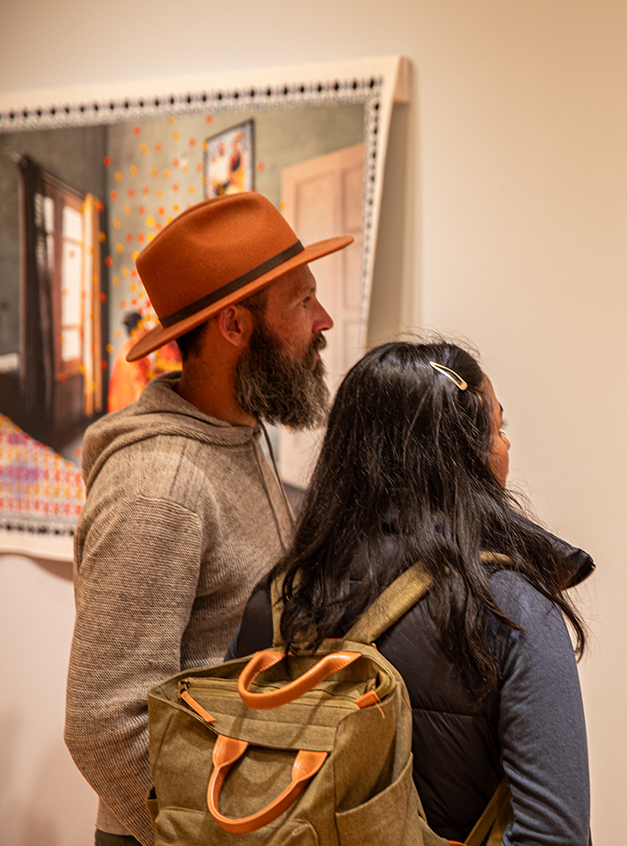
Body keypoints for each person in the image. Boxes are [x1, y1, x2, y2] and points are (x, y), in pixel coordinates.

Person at [65, 191, 350, 846]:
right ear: (233, 326)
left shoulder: (238, 433)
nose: (325, 319)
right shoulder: (160, 484)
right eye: (303, 301)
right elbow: (103, 720)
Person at [230, 341, 595, 845]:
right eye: (497, 429)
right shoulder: (509, 607)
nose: (505, 447)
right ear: (465, 455)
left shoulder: (278, 599)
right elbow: (553, 834)